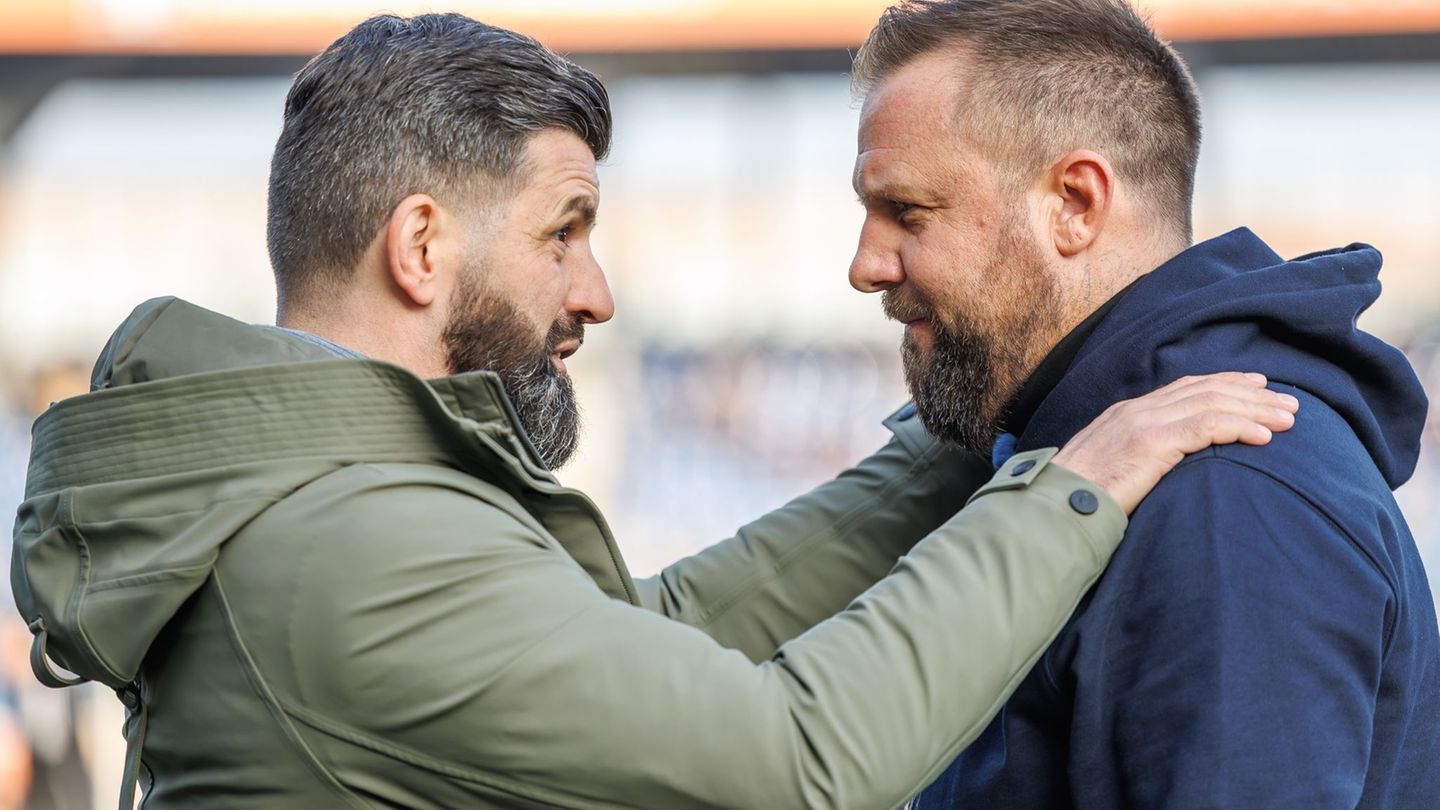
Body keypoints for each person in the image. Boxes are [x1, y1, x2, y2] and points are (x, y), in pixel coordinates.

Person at [12, 14, 1297, 810]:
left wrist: (958, 439)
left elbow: (650, 638)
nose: (597, 293)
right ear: (422, 247)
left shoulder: (335, 508)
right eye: (562, 233)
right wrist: (1068, 490)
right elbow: (795, 759)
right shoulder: (347, 549)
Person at [845, 1, 1440, 807]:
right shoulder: (1089, 456)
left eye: (907, 212)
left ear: (1076, 203)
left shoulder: (1224, 498)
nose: (867, 265)